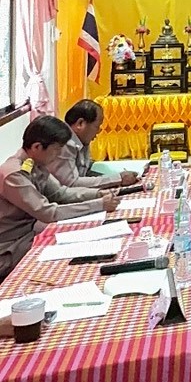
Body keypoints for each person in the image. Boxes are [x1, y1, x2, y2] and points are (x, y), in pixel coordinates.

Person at [0, 116, 119, 279]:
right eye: (56, 149)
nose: (58, 155)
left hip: (30, 235)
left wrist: (97, 194)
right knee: (72, 258)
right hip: (10, 247)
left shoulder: (36, 164)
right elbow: (48, 213)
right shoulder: (14, 175)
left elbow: (61, 193)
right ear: (37, 147)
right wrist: (98, 205)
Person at [46, 99, 140, 192]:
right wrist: (117, 179)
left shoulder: (81, 140)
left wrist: (115, 178)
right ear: (80, 123)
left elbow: (84, 171)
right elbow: (71, 183)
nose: (99, 131)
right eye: (97, 126)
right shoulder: (64, 143)